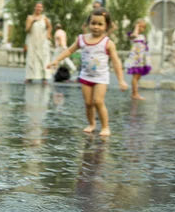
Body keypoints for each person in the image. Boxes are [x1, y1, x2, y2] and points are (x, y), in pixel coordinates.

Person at [48, 8, 128, 136]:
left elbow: (116, 62)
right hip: (85, 76)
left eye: (100, 24)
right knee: (88, 103)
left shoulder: (108, 43)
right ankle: (91, 124)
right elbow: (69, 50)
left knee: (98, 101)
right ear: (88, 24)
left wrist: (121, 80)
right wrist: (56, 60)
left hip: (101, 78)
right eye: (93, 23)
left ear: (106, 26)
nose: (96, 27)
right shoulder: (82, 39)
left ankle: (105, 126)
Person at [25, 2, 52, 84]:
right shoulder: (30, 17)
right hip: (32, 40)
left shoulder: (44, 18)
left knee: (43, 58)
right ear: (34, 8)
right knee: (31, 58)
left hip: (42, 41)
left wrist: (48, 34)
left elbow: (49, 26)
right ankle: (30, 77)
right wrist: (32, 22)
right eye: (37, 7)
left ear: (42, 9)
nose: (38, 9)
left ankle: (44, 77)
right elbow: (27, 30)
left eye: (40, 7)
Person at [124, 19, 151, 100]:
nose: (140, 28)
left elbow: (145, 48)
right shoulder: (132, 34)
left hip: (141, 59)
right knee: (135, 77)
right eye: (139, 26)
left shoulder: (143, 36)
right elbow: (134, 35)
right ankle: (135, 94)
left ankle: (135, 93)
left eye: (142, 27)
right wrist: (136, 26)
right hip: (135, 59)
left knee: (138, 76)